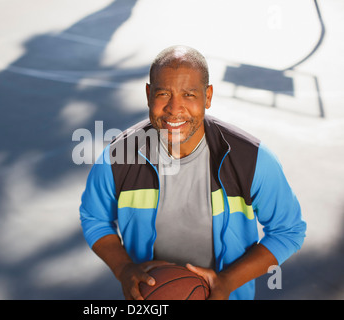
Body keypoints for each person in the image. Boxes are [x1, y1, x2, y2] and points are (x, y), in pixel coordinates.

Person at [79, 45, 306, 300]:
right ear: (148, 94)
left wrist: (227, 282)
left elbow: (288, 230)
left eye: (189, 94)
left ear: (207, 96)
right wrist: (123, 269)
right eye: (163, 94)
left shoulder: (251, 159)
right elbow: (94, 218)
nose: (175, 109)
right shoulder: (117, 157)